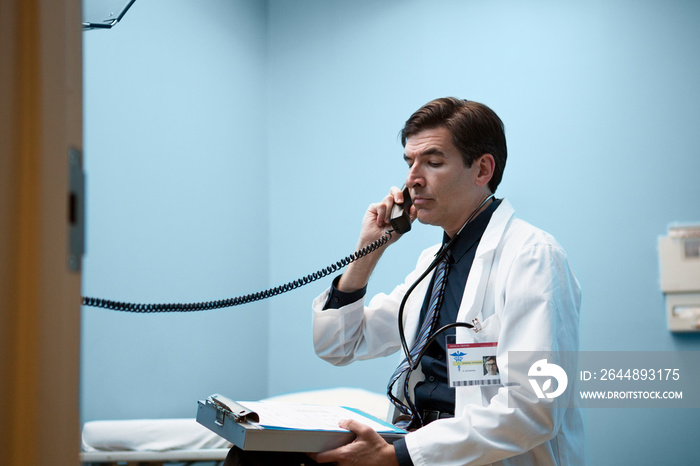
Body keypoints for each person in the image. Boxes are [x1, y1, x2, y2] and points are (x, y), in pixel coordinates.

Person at [309, 97, 585, 465]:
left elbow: (533, 407)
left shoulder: (532, 256)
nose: (413, 179)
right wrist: (367, 251)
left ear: (482, 169)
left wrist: (401, 456)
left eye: (433, 162)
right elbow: (338, 345)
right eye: (410, 163)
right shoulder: (433, 264)